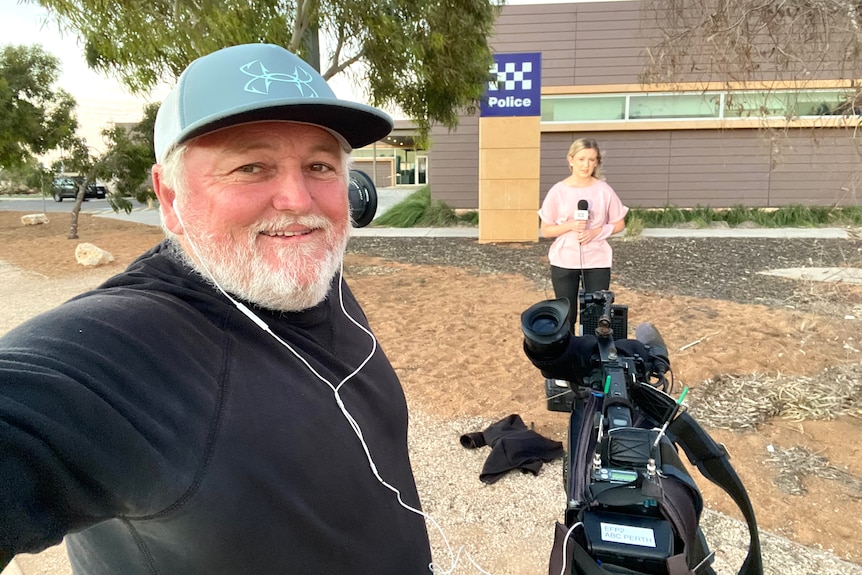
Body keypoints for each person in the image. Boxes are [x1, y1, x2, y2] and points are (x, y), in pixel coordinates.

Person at [0, 43, 433, 574]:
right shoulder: (132, 345)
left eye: (319, 165)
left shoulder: (299, 268)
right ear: (170, 196)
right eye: (252, 166)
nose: (299, 200)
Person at [537, 138, 628, 332]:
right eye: (581, 159)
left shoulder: (604, 190)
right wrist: (569, 225)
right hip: (564, 261)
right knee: (566, 315)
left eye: (591, 159)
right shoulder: (558, 191)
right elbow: (546, 230)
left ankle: (592, 355)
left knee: (595, 314)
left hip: (597, 261)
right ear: (571, 160)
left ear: (597, 162)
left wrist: (598, 231)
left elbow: (619, 223)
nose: (586, 164)